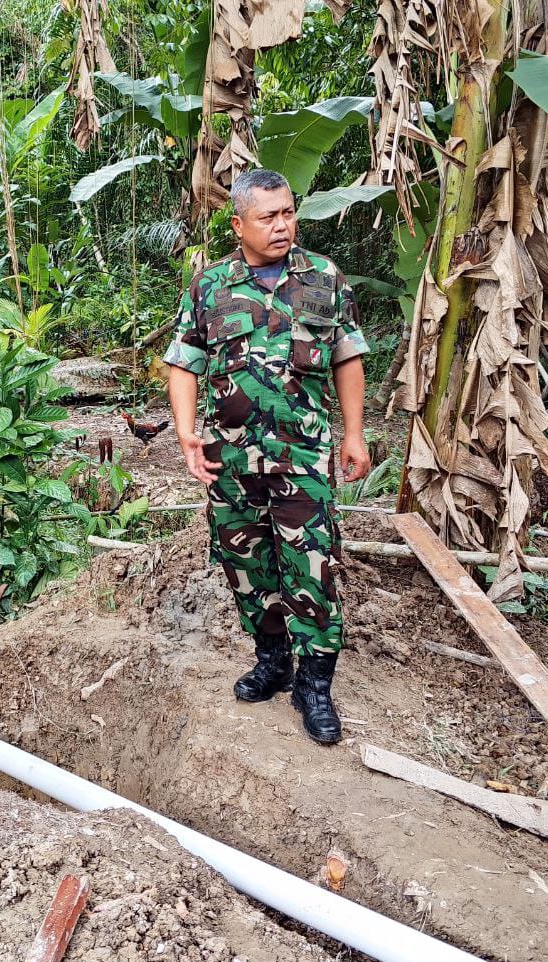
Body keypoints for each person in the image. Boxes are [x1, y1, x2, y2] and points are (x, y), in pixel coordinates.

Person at [163, 169, 371, 745]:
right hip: (230, 461)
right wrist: (186, 436)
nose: (282, 226)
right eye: (267, 217)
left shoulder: (324, 278)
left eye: (287, 213)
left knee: (311, 568)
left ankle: (315, 685)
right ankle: (273, 659)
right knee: (247, 568)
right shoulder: (210, 287)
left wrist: (354, 435)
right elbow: (183, 362)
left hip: (302, 456)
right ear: (238, 224)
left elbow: (347, 357)